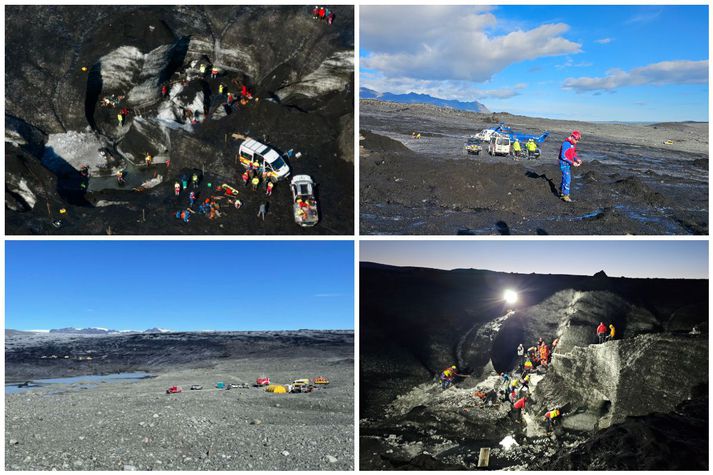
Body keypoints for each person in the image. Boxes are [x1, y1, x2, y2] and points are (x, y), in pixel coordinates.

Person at [558, 130, 582, 202]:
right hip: (564, 164)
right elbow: (563, 156)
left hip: (568, 164)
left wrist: (577, 159)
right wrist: (572, 163)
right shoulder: (566, 144)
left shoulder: (572, 144)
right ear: (572, 137)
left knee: (565, 178)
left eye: (578, 140)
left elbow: (573, 154)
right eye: (576, 140)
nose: (577, 141)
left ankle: (562, 192)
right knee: (568, 179)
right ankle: (566, 196)